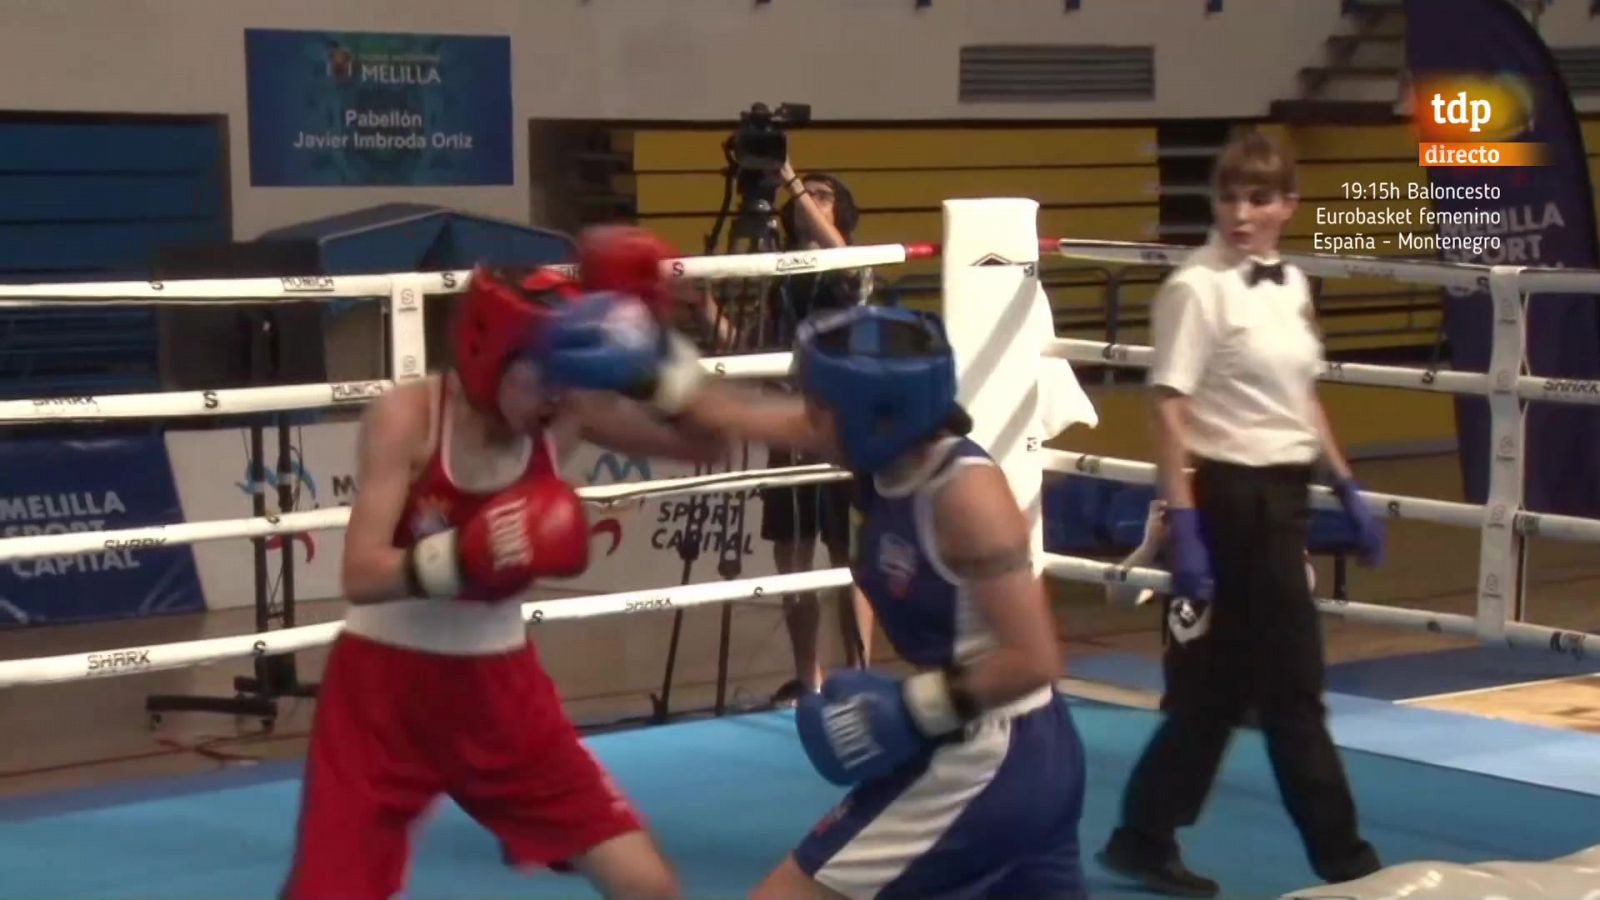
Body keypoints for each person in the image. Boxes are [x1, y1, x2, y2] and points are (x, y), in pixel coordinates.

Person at [539, 299, 1087, 899]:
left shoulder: (967, 498)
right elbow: (727, 413)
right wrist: (645, 360)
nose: (806, 421)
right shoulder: (878, 440)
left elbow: (1036, 658)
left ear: (873, 415)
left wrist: (910, 707)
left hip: (988, 753)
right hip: (1010, 750)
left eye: (820, 409)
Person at [281, 257, 727, 900]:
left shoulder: (568, 413)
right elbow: (361, 570)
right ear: (489, 354)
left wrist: (659, 362)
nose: (556, 393)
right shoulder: (409, 416)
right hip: (382, 697)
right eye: (542, 374)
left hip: (499, 693)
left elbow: (708, 445)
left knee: (647, 885)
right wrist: (463, 555)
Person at [1095, 129, 1386, 896]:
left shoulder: (1289, 284)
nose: (1241, 211)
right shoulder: (1197, 287)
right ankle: (1345, 862)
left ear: (1288, 203)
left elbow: (1302, 396)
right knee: (1293, 691)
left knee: (1219, 694)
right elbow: (1168, 409)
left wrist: (1346, 484)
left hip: (1284, 494)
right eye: (1229, 195)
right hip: (1232, 498)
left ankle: (1140, 834)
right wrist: (1185, 523)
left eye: (1259, 197)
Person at [693, 160, 874, 704]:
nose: (807, 202)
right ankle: (809, 678)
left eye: (822, 196)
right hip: (789, 431)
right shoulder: (781, 283)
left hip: (842, 430)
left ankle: (861, 676)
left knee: (849, 559)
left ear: (840, 211)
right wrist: (700, 303)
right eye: (803, 195)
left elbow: (838, 254)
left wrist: (791, 177)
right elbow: (747, 351)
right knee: (791, 561)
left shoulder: (855, 268)